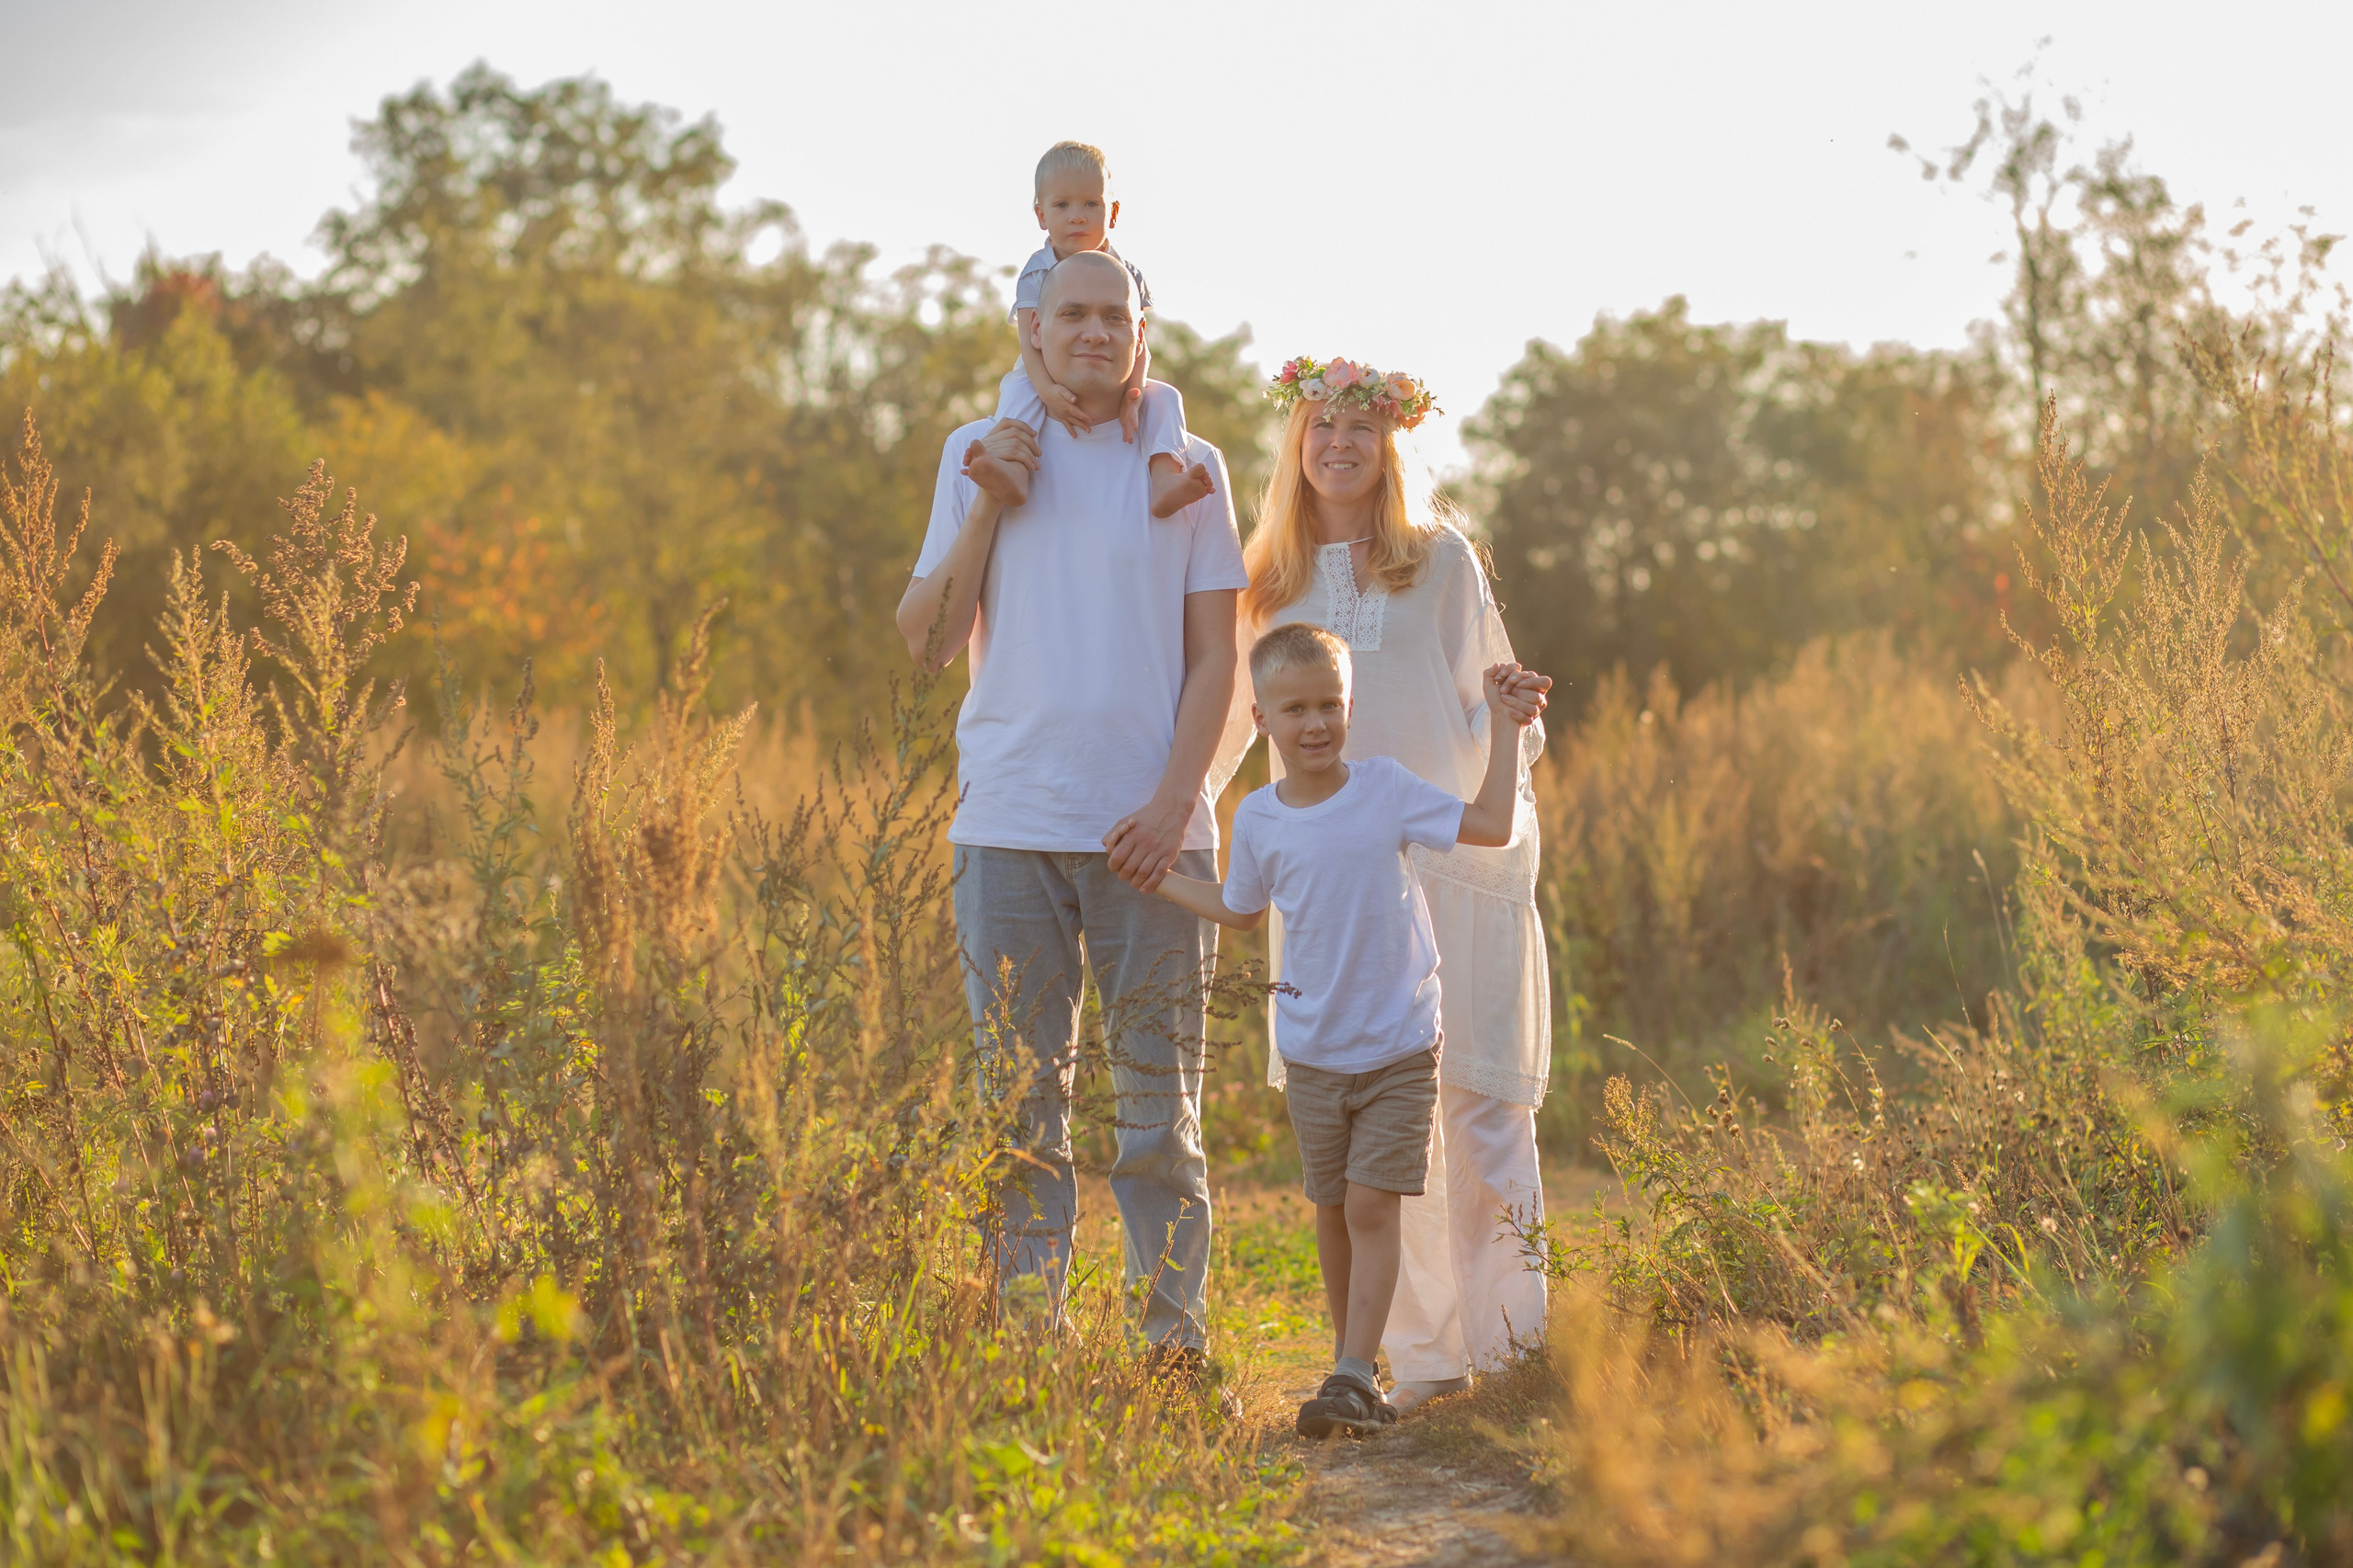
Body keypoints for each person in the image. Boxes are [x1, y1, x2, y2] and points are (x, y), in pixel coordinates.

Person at [893, 249, 1241, 1369]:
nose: (1094, 331)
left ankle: (1170, 1350)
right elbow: (926, 638)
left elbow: (1214, 660)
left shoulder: (1187, 465)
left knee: (1157, 1114)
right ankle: (1025, 1348)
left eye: (1115, 316)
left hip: (1153, 838)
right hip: (1006, 826)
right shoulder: (974, 450)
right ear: (1032, 330)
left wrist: (1172, 802)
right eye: (1073, 314)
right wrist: (992, 501)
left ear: (1142, 335)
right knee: (1018, 1109)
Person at [1228, 355, 1554, 1412]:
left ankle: (1516, 1352)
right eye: (1321, 426)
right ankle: (1418, 1358)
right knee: (1385, 1129)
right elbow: (1237, 724)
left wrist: (1511, 706)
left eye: (1361, 428)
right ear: (1297, 441)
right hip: (1340, 894)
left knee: (1484, 1106)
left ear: (1390, 444)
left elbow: (1493, 702)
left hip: (1456, 859)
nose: (1339, 445)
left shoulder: (1441, 559)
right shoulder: (1267, 572)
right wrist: (1174, 814)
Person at [1142, 622, 1549, 1437]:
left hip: (1399, 1042)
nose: (1316, 722)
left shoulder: (1386, 790)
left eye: (1331, 703)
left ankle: (1357, 1373)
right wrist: (1157, 878)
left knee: (1370, 1204)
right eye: (1295, 708)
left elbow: (1494, 823)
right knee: (1332, 1208)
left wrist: (1505, 728)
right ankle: (1348, 1368)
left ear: (1351, 707)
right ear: (1261, 719)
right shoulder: (1259, 818)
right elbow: (1242, 912)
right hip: (1313, 1051)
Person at [970, 140, 1214, 520]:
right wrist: (1048, 391)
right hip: (1041, 372)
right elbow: (1029, 345)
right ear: (1041, 215)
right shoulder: (1036, 271)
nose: (1078, 216)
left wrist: (1134, 392)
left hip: (1116, 373)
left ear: (1113, 212)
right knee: (1017, 393)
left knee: (1166, 399)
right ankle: (1013, 472)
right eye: (1062, 205)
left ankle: (1166, 478)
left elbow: (1140, 345)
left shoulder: (1127, 273)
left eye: (1091, 204)